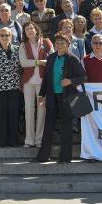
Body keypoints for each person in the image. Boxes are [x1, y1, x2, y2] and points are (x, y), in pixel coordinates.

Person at [34, 33, 86, 163]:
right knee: (48, 127)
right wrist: (42, 94)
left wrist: (70, 81)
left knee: (66, 128)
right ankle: (43, 156)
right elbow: (46, 78)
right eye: (57, 43)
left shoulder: (72, 59)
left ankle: (65, 157)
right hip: (52, 96)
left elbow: (83, 77)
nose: (59, 45)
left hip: (67, 97)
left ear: (68, 45)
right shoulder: (51, 58)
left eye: (62, 43)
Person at [0, 27, 22, 147]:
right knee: (0, 114)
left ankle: (13, 141)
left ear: (11, 37)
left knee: (13, 113)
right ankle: (0, 141)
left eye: (7, 35)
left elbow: (21, 68)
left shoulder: (17, 50)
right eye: (2, 35)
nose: (4, 37)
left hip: (14, 87)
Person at [19, 22, 53, 148]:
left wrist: (42, 62)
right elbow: (23, 63)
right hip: (28, 82)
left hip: (42, 82)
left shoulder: (46, 42)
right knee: (28, 111)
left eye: (31, 28)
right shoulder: (23, 45)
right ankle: (29, 140)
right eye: (27, 29)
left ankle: (39, 139)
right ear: (25, 32)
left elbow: (52, 59)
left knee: (41, 111)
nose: (29, 31)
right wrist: (39, 62)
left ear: (36, 29)